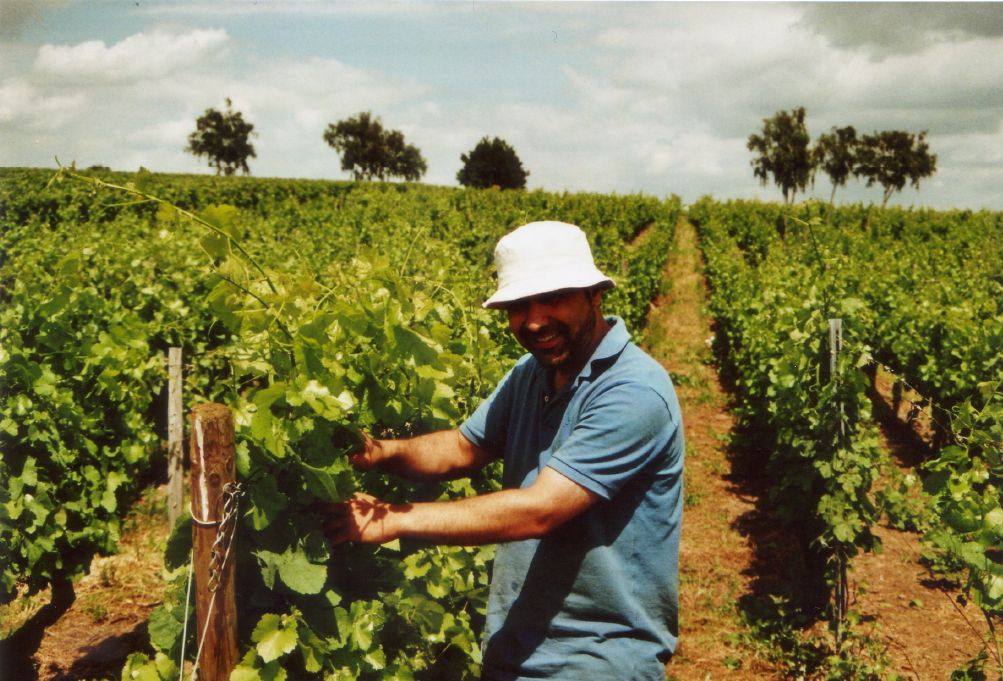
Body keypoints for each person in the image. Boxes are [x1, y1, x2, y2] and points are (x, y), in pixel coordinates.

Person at [322, 220, 685, 680]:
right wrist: (379, 452)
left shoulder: (633, 390)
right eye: (518, 306)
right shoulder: (532, 372)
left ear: (594, 294)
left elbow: (539, 510)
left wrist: (393, 519)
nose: (534, 320)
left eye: (553, 298)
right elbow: (461, 447)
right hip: (518, 645)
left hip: (597, 656)